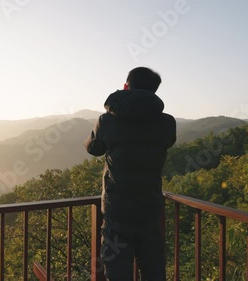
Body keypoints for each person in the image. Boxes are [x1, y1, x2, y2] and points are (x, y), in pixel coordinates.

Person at [84, 67, 176, 280]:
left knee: (117, 271)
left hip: (118, 211)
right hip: (150, 209)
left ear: (126, 86)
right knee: (153, 268)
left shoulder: (107, 121)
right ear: (155, 91)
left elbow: (93, 148)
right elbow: (167, 142)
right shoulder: (167, 122)